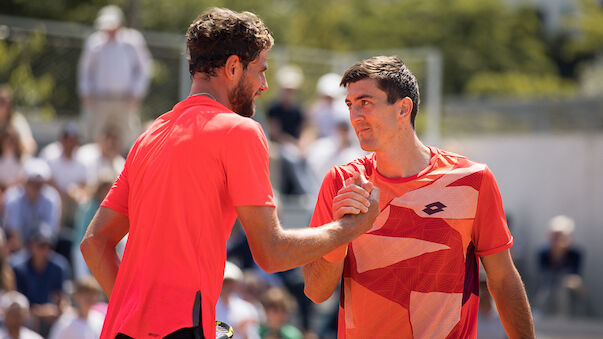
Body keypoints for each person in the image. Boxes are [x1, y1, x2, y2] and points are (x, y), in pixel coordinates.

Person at [80, 8, 379, 339]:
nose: (264, 84)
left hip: (121, 329)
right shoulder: (240, 131)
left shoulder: (151, 133)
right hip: (181, 327)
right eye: (261, 71)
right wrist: (348, 228)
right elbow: (272, 251)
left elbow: (94, 243)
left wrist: (134, 309)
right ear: (234, 67)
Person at [302, 56, 535, 339]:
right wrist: (341, 233)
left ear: (403, 108)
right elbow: (316, 291)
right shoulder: (341, 182)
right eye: (350, 105)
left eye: (365, 102)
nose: (354, 116)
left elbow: (502, 279)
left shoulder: (473, 180)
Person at [78, 5, 152, 150]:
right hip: (100, 98)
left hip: (125, 99)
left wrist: (137, 92)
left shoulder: (133, 41)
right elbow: (86, 70)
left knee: (128, 135)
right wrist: (86, 92)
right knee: (96, 134)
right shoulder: (94, 43)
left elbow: (144, 67)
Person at [535, 215, 585, 317]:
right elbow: (542, 276)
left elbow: (576, 277)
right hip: (549, 287)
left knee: (565, 290)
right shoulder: (543, 253)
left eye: (560, 236)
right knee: (547, 292)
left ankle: (566, 319)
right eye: (554, 236)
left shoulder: (576, 254)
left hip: (568, 290)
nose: (556, 240)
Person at [216, 262, 261, 339]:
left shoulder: (247, 308)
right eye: (225, 282)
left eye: (231, 282)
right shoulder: (208, 308)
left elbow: (253, 335)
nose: (227, 286)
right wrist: (235, 329)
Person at [0, 85, 37, 157]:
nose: (3, 106)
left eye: (5, 102)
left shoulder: (17, 121)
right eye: (1, 102)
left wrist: (14, 142)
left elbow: (31, 147)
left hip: (14, 164)